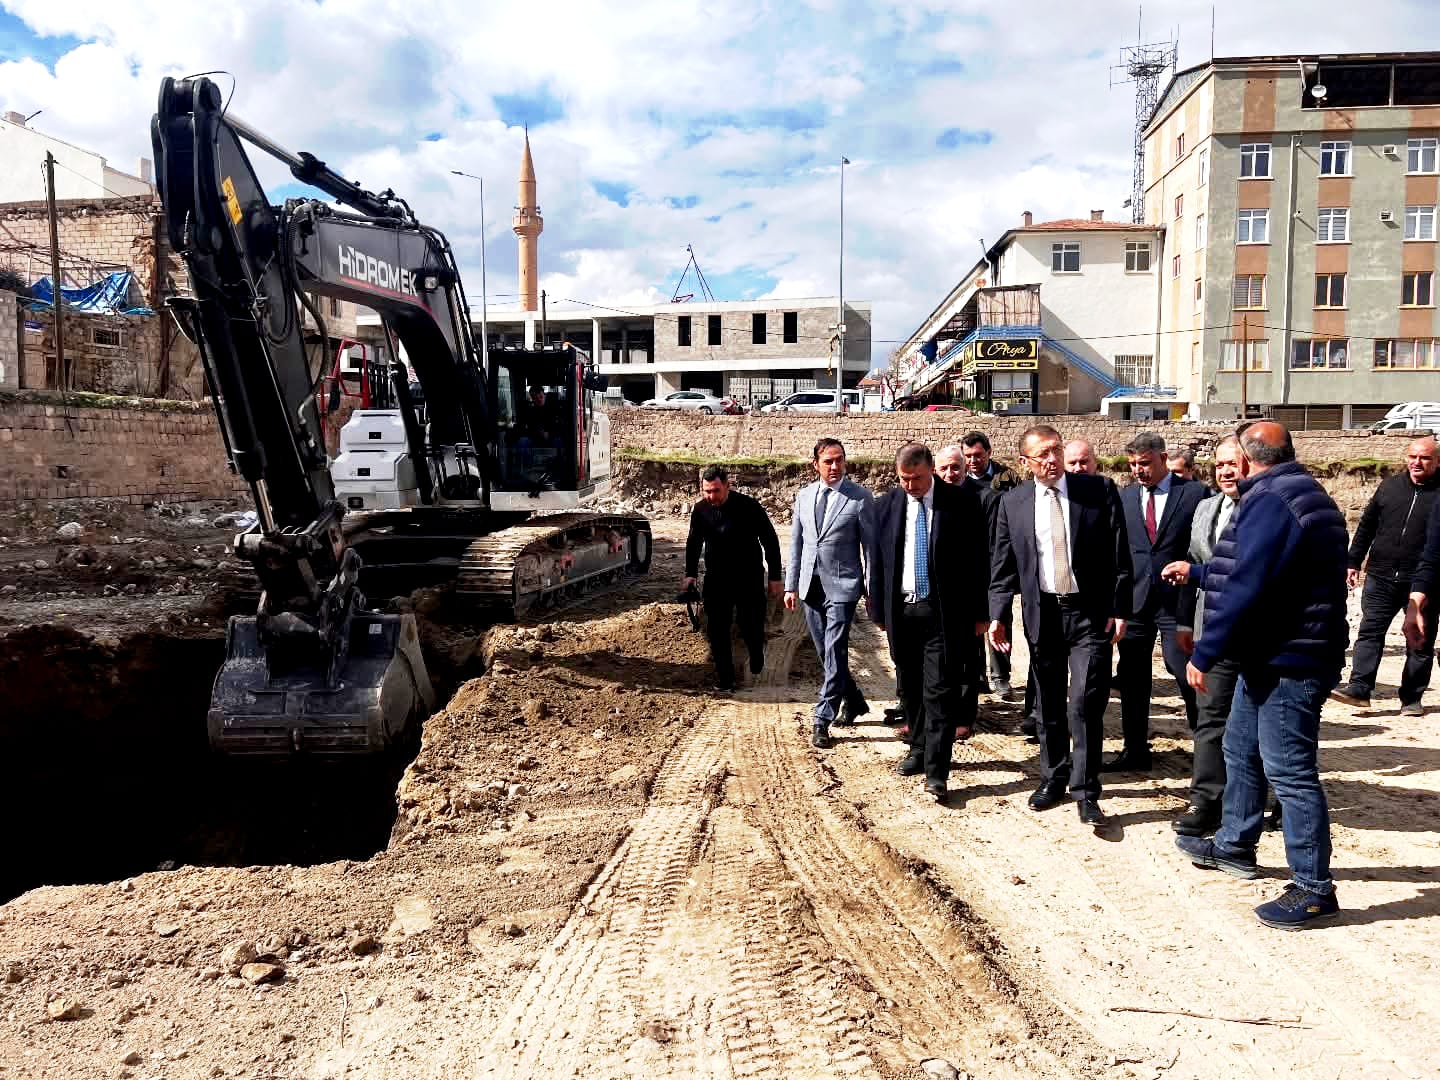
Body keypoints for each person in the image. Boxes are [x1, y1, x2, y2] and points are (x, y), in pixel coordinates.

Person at [1175, 422, 1348, 930]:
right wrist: (1199, 573)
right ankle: (1235, 843)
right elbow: (1261, 570)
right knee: (1239, 747)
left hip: (1291, 659)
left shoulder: (1273, 500)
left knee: (1290, 771)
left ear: (1249, 459)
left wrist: (1206, 652)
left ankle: (1314, 889)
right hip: (1270, 655)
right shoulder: (1296, 491)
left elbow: (1247, 583)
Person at [989, 425, 1131, 828]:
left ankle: (1086, 791)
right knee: (1048, 703)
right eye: (1042, 455)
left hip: (1089, 614)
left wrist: (1120, 607)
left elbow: (1120, 554)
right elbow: (1002, 565)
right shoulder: (1012, 503)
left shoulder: (1097, 491)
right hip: (1043, 614)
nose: (1052, 460)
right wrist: (997, 614)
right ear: (1025, 462)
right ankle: (1053, 777)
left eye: (1056, 450)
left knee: (1084, 702)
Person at [869, 443, 990, 802]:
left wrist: (981, 612)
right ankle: (919, 748)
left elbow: (978, 561)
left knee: (939, 691)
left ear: (931, 470)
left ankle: (937, 772)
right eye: (904, 479)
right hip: (903, 612)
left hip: (943, 614)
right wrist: (879, 611)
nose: (911, 486)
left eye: (917, 479)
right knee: (910, 688)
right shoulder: (886, 506)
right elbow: (878, 561)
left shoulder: (962, 502)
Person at [1162, 435, 1250, 836]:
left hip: (1257, 631)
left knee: (1258, 721)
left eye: (1234, 463)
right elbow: (1192, 564)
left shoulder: (1267, 509)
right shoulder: (1205, 508)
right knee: (1210, 717)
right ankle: (1206, 800)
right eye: (1220, 465)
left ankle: (1265, 799)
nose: (1226, 471)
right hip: (1210, 627)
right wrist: (1185, 623)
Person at [1109, 432, 1209, 772]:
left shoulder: (1194, 494)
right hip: (1136, 602)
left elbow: (1203, 546)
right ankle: (1135, 748)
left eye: (1145, 463)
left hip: (1177, 602)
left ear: (1163, 459)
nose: (1139, 470)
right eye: (1133, 464)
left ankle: (1207, 747)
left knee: (1184, 671)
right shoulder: (1125, 497)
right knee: (1132, 678)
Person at [1332, 435, 1440, 714]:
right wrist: (1353, 560)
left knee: (1420, 640)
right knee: (1369, 632)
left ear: (1437, 462)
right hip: (1380, 575)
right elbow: (1367, 525)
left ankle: (1412, 698)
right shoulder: (1390, 486)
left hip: (1423, 580)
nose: (1417, 462)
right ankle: (1359, 689)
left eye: (1425, 458)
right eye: (1413, 456)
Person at [785, 438, 875, 749]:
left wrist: (871, 589)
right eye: (828, 461)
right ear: (816, 465)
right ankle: (855, 699)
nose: (835, 466)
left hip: (843, 586)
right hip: (810, 586)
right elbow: (797, 544)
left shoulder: (860, 498)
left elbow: (870, 550)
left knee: (835, 649)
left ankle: (822, 717)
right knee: (825, 652)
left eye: (839, 460)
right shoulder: (804, 496)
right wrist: (791, 585)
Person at [684, 465, 784, 691]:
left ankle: (756, 651)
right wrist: (690, 574)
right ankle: (726, 680)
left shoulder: (749, 507)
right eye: (707, 491)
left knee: (750, 624)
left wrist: (775, 576)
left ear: (728, 486)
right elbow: (694, 542)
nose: (712, 496)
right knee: (717, 630)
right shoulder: (700, 510)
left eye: (716, 491)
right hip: (717, 578)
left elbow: (770, 540)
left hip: (749, 577)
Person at [963, 431, 1023, 699]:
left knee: (1001, 618)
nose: (973, 461)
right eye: (968, 456)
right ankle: (977, 676)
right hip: (970, 562)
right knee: (972, 620)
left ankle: (1001, 676)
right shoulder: (959, 480)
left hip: (999, 559)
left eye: (978, 455)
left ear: (989, 452)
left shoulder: (1007, 479)